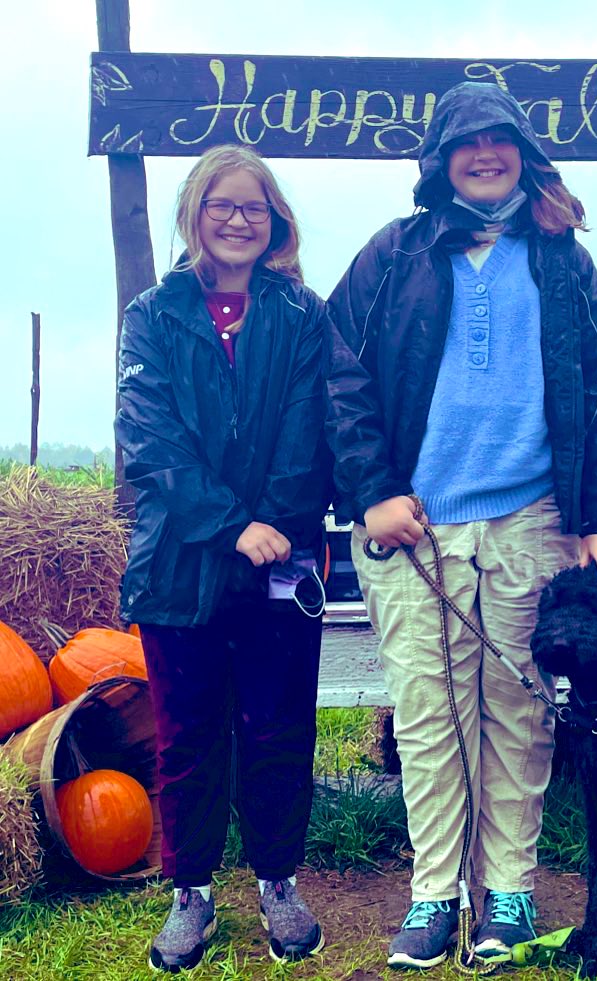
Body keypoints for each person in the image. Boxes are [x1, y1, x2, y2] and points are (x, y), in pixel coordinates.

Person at [324, 81, 597, 969]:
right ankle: (435, 894)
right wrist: (374, 490)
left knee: (519, 711)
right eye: (467, 142)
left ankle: (508, 891)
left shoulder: (562, 258)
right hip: (414, 530)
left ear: (524, 152)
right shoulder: (394, 254)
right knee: (430, 714)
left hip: (533, 522)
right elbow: (340, 378)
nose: (485, 155)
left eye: (502, 140)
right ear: (439, 157)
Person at [116, 144, 338, 972]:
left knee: (280, 729)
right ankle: (192, 892)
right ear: (194, 215)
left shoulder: (301, 314)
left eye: (255, 207)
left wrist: (273, 524)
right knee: (188, 735)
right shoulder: (153, 315)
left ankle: (278, 881)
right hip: (180, 566)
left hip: (283, 564)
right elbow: (149, 438)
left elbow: (307, 431)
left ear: (274, 220)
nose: (240, 220)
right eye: (223, 206)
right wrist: (230, 525)